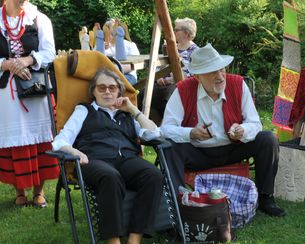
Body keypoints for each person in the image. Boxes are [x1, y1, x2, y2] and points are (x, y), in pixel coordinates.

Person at [161, 43, 286, 217]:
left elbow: (255, 123)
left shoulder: (237, 84)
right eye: (212, 72)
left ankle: (266, 197)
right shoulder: (183, 90)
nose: (220, 76)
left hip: (232, 148)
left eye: (222, 69)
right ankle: (177, 202)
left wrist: (242, 129)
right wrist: (191, 132)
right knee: (170, 147)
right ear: (197, 76)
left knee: (268, 139)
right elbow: (166, 129)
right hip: (198, 153)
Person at [52, 68, 163, 244]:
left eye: (112, 88)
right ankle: (113, 240)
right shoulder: (84, 110)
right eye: (101, 87)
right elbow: (60, 141)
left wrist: (133, 109)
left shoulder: (127, 114)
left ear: (119, 91)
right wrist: (75, 152)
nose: (107, 91)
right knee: (110, 176)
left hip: (127, 160)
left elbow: (154, 134)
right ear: (93, 91)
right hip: (95, 160)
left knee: (154, 175)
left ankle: (135, 238)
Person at [0, 0, 59, 207]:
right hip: (7, 91)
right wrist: (8, 65)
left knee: (39, 137)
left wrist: (25, 61)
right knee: (15, 139)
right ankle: (19, 191)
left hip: (36, 87)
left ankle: (39, 192)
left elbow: (49, 52)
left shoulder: (40, 19)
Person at [138, 17, 198, 125]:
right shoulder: (171, 47)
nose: (173, 32)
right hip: (163, 84)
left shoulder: (196, 51)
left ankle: (167, 126)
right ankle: (145, 125)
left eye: (176, 30)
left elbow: (195, 75)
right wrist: (159, 77)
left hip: (182, 86)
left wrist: (174, 79)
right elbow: (159, 67)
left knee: (170, 95)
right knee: (143, 92)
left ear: (186, 33)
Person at [104, 19, 140, 85]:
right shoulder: (102, 46)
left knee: (112, 83)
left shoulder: (130, 45)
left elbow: (132, 65)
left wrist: (112, 71)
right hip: (104, 76)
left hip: (127, 75)